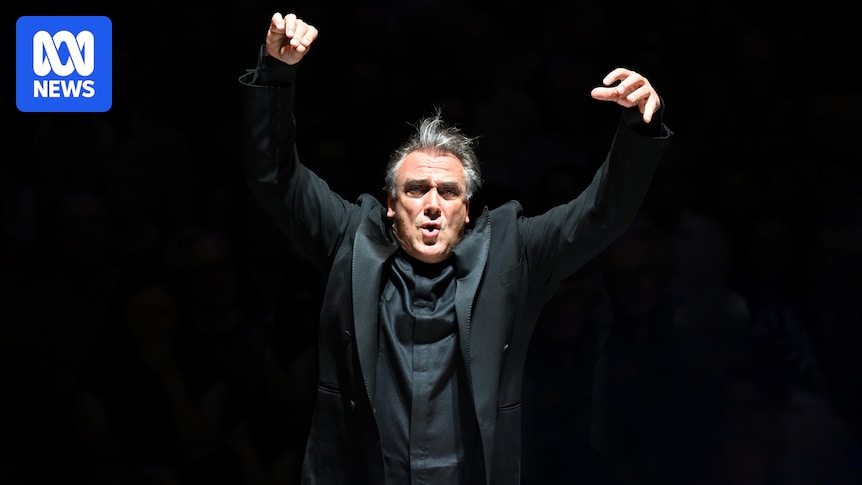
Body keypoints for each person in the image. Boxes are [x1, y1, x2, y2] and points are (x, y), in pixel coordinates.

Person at [238, 11, 673, 485]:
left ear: (466, 210)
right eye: (416, 189)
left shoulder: (511, 253)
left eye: (448, 192)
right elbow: (274, 178)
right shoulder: (352, 238)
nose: (432, 205)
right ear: (390, 205)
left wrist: (637, 129)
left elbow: (600, 215)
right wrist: (276, 74)